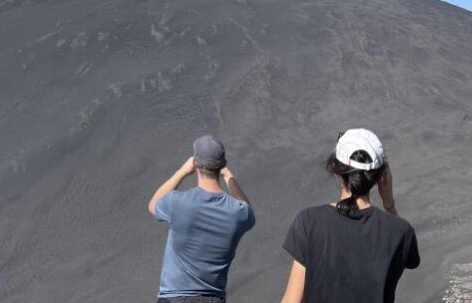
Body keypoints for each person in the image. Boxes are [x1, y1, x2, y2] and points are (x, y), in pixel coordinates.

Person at [280, 128, 420, 303]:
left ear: (338, 171)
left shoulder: (309, 222)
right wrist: (389, 203)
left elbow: (291, 300)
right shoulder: (400, 231)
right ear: (381, 177)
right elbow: (409, 258)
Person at [149, 135, 255, 303]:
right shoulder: (238, 213)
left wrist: (181, 172)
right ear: (222, 165)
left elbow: (153, 204)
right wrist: (228, 175)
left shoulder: (178, 202)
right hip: (213, 298)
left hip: (174, 297)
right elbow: (248, 209)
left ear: (195, 164)